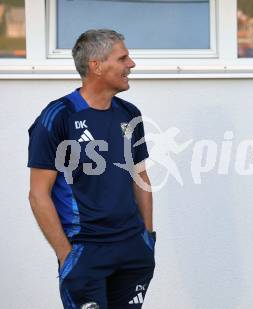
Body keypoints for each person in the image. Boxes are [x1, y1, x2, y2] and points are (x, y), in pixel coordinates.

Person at [27, 29, 155, 308]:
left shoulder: (130, 114)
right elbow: (38, 194)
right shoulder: (58, 116)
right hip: (86, 253)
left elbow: (140, 177)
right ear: (96, 66)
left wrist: (148, 238)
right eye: (122, 58)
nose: (131, 64)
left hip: (133, 250)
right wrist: (66, 255)